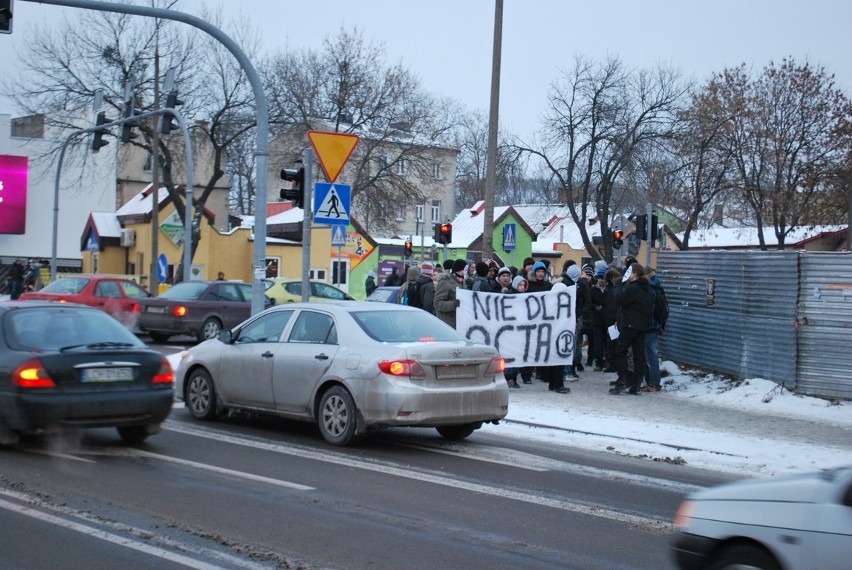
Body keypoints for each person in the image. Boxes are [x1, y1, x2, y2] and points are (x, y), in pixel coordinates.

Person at [610, 263, 653, 395]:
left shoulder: (633, 288)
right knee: (638, 354)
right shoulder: (646, 288)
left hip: (630, 325)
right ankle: (636, 384)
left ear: (634, 274)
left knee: (620, 350)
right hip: (642, 326)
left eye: (629, 271)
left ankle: (623, 380)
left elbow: (618, 300)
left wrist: (620, 284)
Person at [503, 275, 533, 386]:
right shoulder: (509, 296)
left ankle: (517, 378)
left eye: (524, 285)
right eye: (520, 285)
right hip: (511, 331)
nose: (522, 287)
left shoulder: (526, 297)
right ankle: (509, 377)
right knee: (511, 355)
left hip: (522, 330)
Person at [644, 267, 664, 392]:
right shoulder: (657, 285)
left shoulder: (651, 288)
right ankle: (651, 382)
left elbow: (649, 309)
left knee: (650, 355)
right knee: (650, 354)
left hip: (650, 326)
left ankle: (653, 383)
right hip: (655, 325)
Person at [434, 259, 466, 328]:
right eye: (465, 269)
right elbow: (437, 303)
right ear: (460, 270)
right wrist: (453, 304)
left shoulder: (463, 283)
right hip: (447, 325)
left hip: (459, 325)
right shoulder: (445, 282)